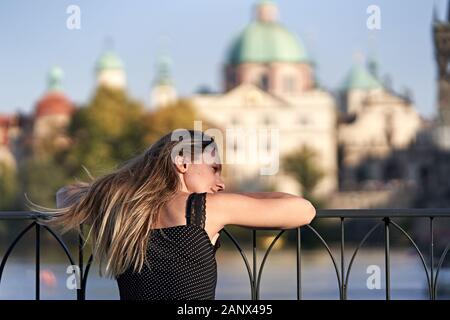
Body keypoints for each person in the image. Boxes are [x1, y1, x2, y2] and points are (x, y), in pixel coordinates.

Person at [32, 129, 316, 300]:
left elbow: (64, 194)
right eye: (214, 169)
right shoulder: (202, 208)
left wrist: (123, 186)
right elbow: (304, 210)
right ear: (182, 162)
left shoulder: (122, 206)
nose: (221, 182)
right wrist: (243, 198)